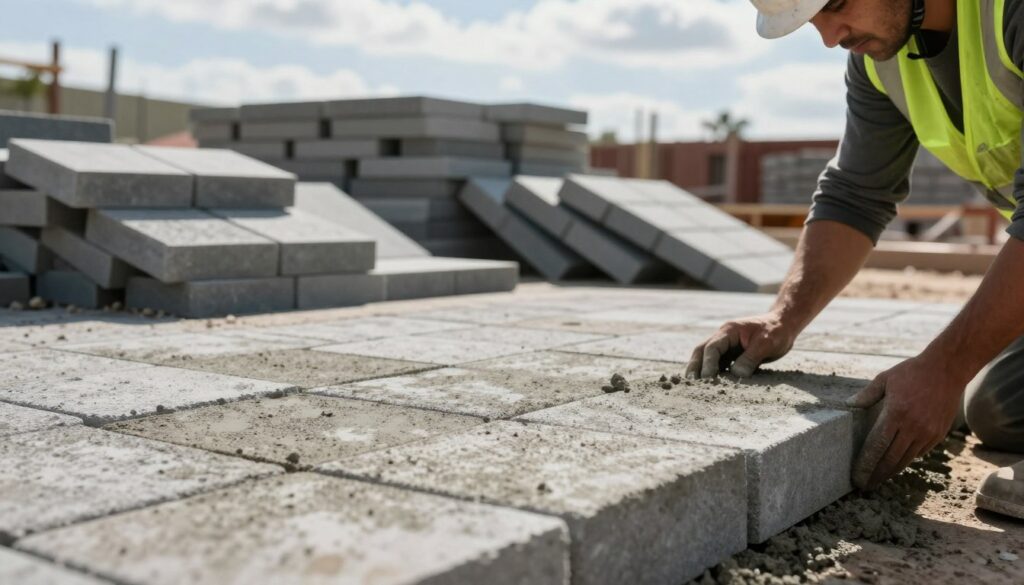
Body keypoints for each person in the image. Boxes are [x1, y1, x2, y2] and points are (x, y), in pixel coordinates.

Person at [688, 0, 1024, 520]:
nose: (829, 36)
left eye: (838, 5)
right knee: (999, 406)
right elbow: (855, 195)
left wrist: (943, 367)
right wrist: (781, 319)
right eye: (812, 19)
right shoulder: (879, 58)